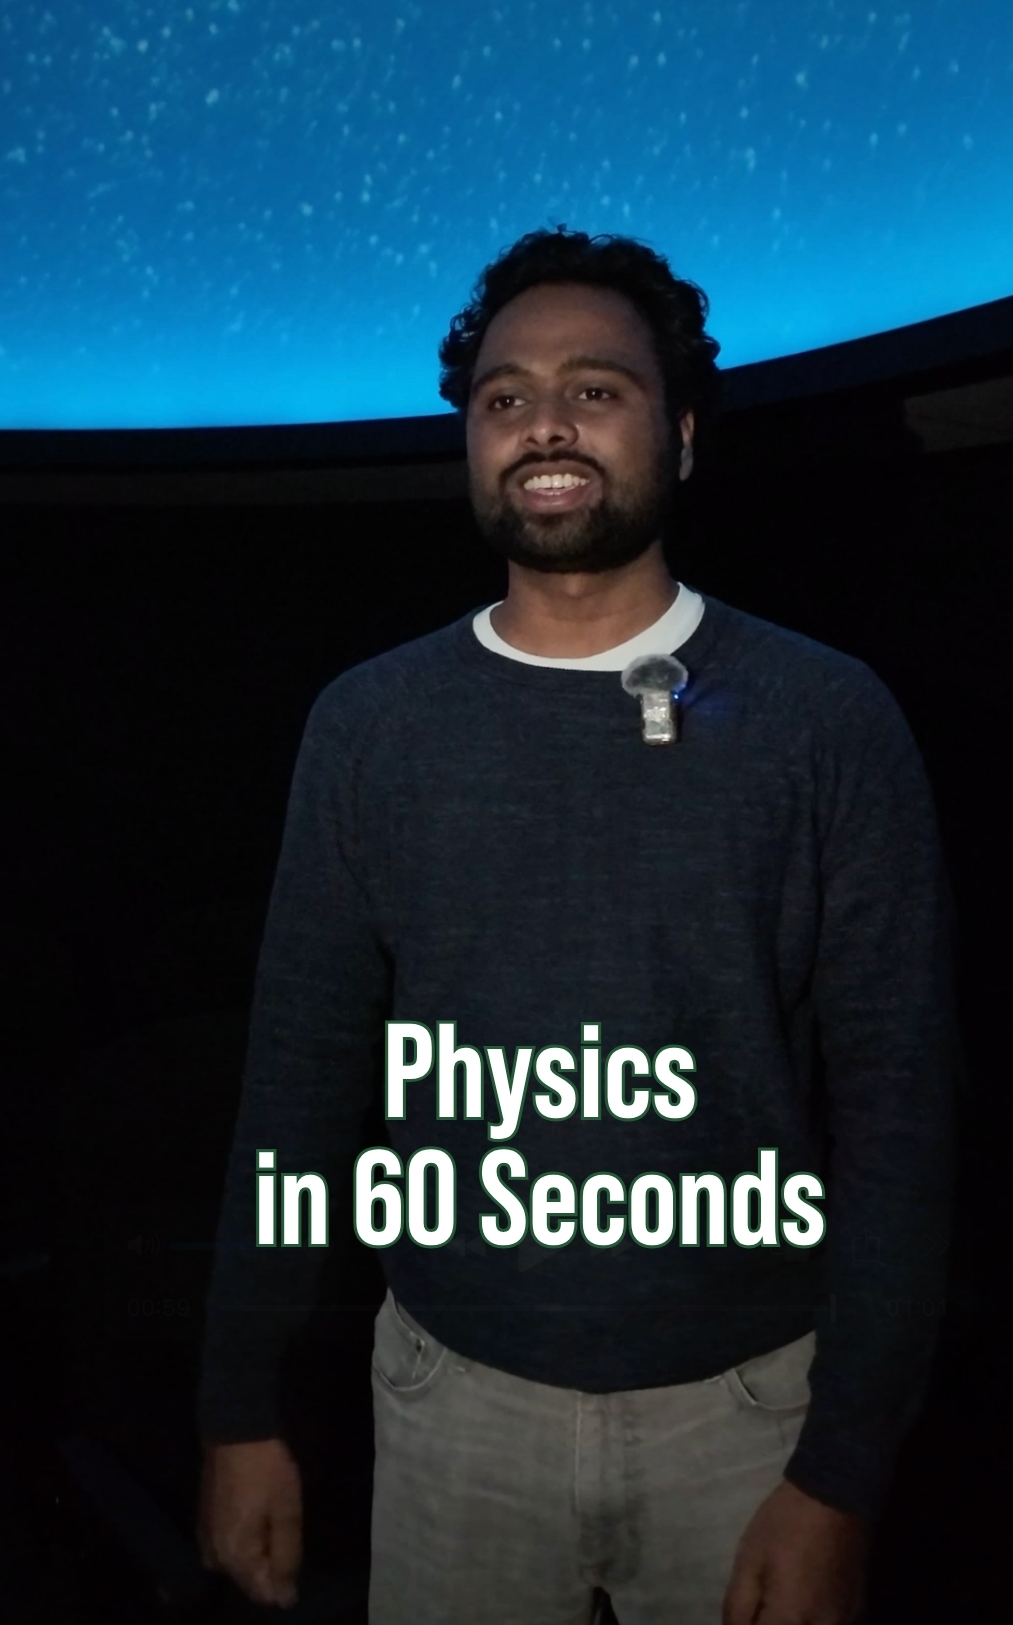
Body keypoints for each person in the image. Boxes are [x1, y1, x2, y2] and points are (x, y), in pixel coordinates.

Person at [196, 225, 957, 1625]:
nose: (542, 419)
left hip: (748, 1420)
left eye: (594, 387)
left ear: (678, 432)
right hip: (447, 1409)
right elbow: (295, 1082)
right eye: (503, 396)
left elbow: (903, 1121)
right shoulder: (369, 727)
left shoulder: (826, 721)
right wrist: (239, 1403)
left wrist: (842, 1472)